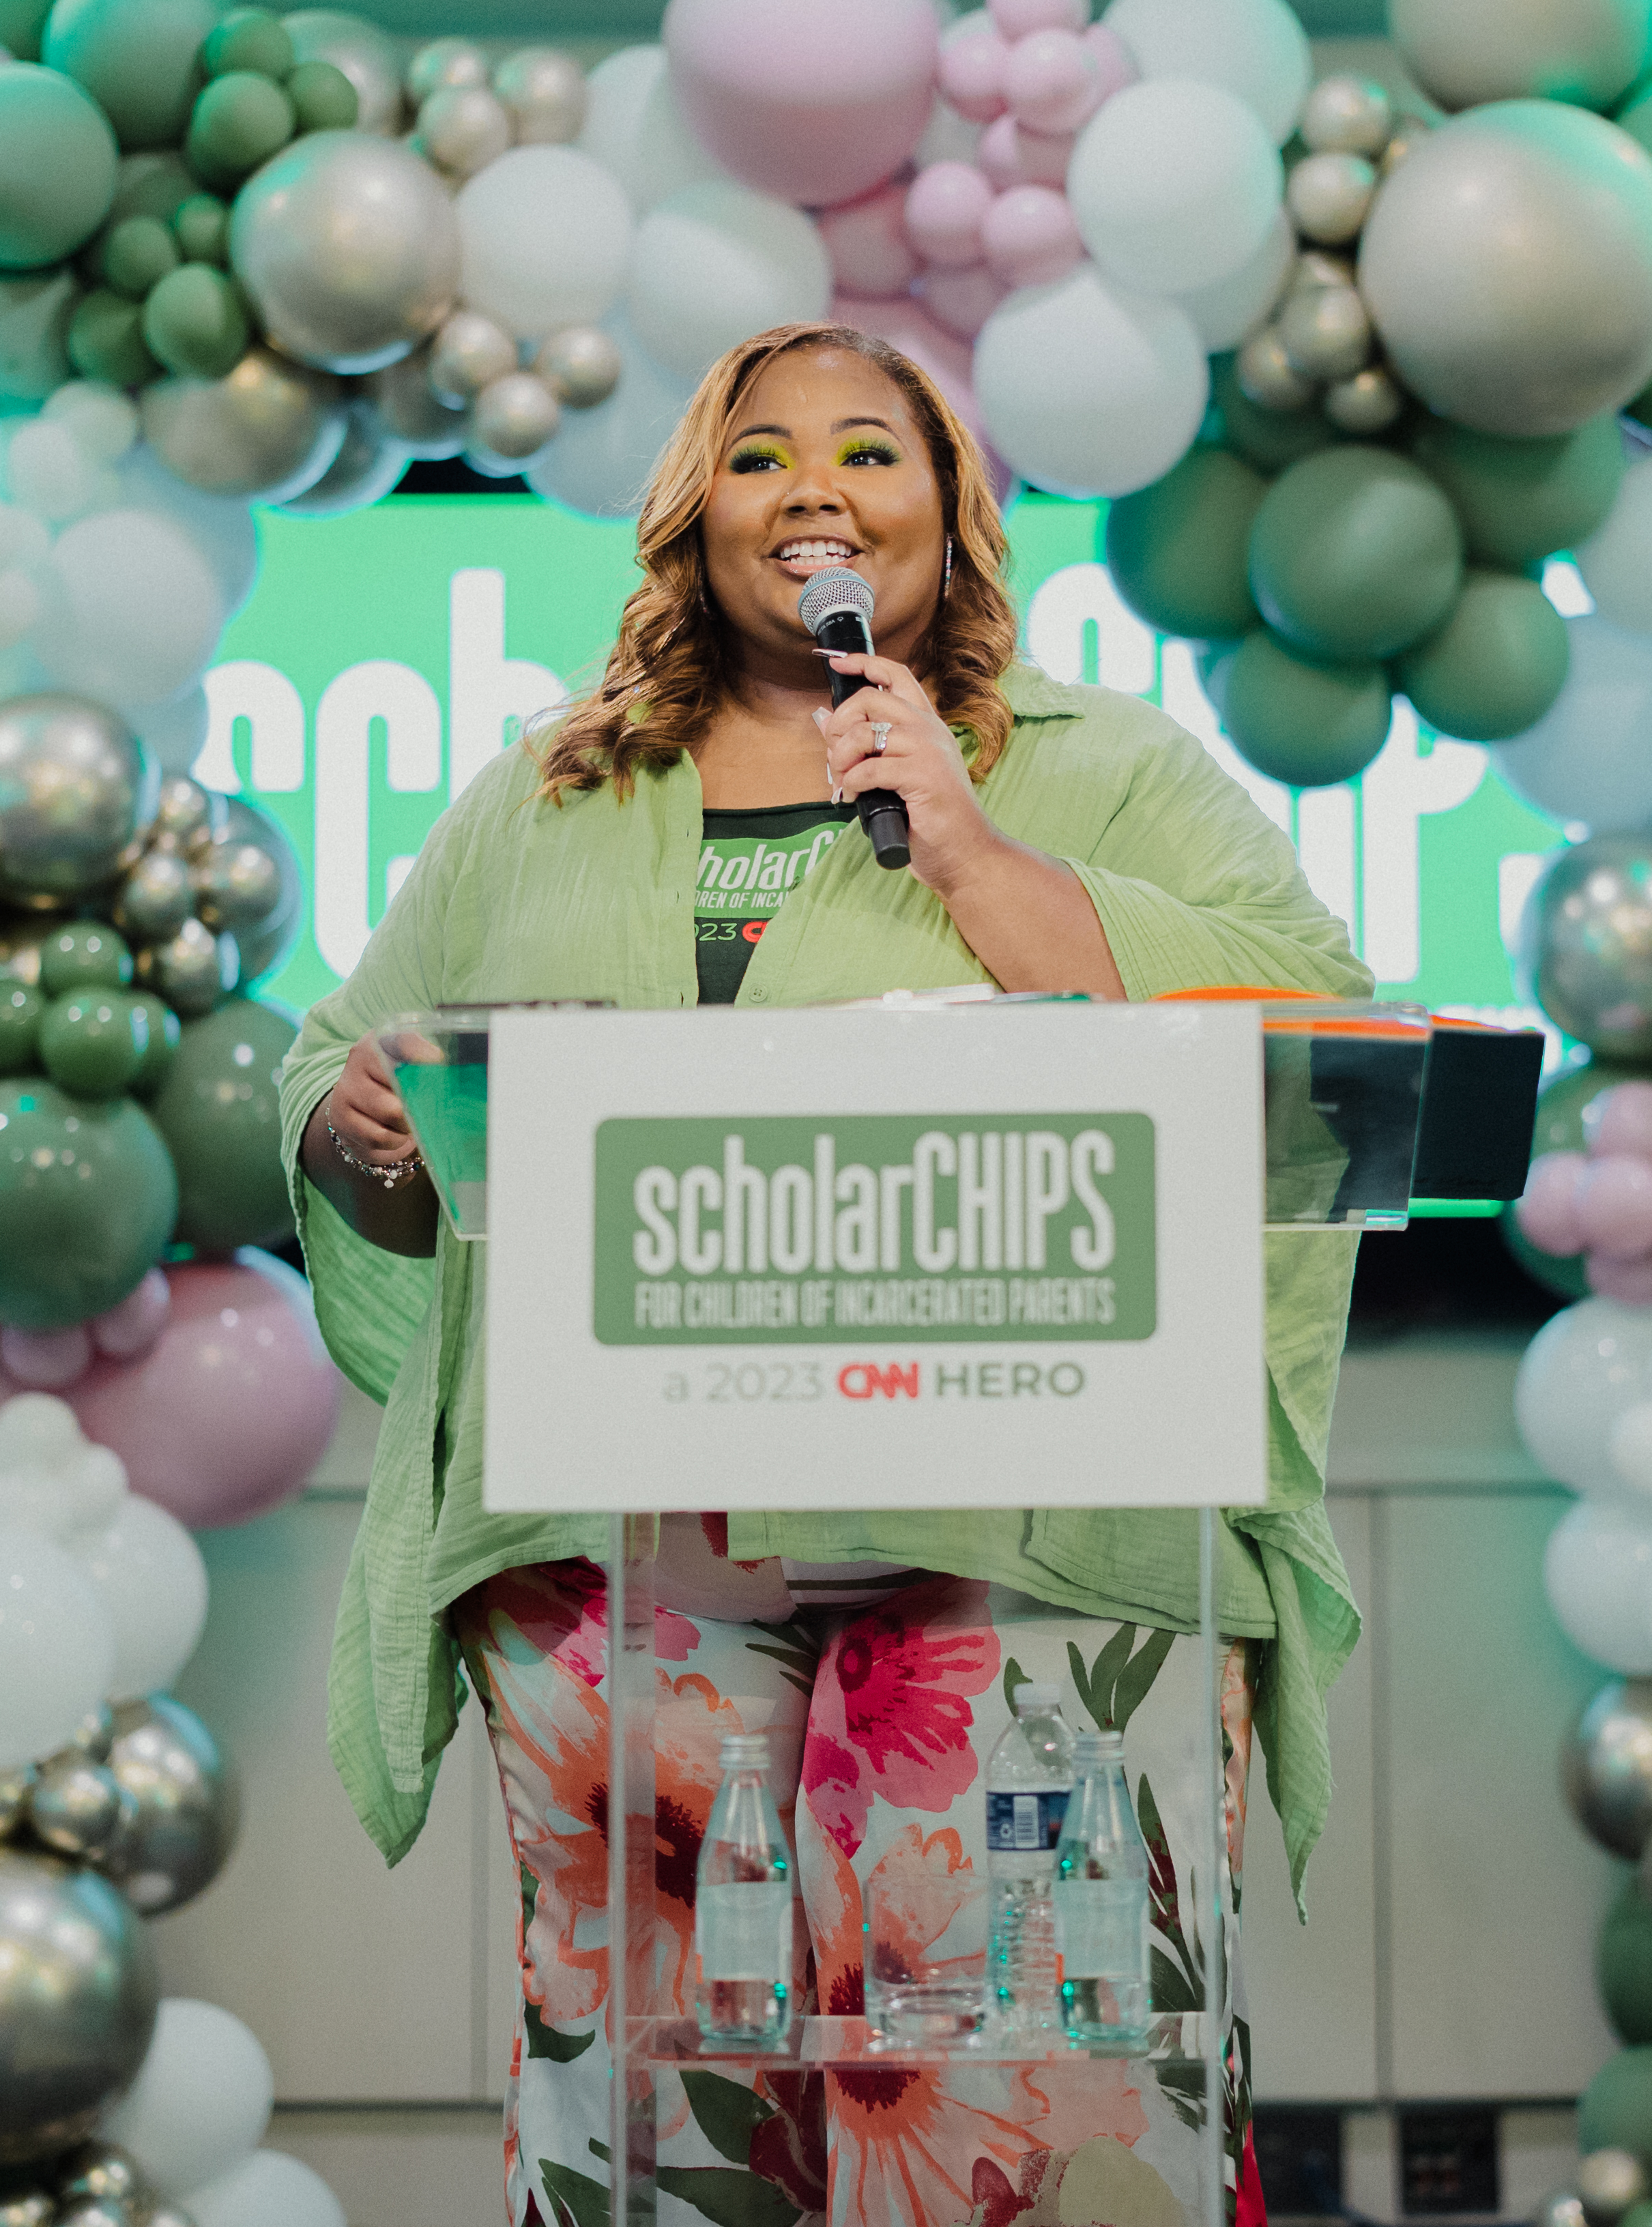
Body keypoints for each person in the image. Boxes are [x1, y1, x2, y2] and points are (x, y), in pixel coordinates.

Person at [274, 321, 1370, 2227]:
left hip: (1028, 1520)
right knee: (662, 2110)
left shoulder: (1096, 769)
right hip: (626, 1541)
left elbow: (1315, 1048)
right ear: (695, 513)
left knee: (1025, 2096)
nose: (814, 494)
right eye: (762, 455)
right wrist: (362, 1118)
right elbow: (341, 1065)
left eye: (871, 453)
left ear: (948, 513)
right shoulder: (552, 793)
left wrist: (971, 844)